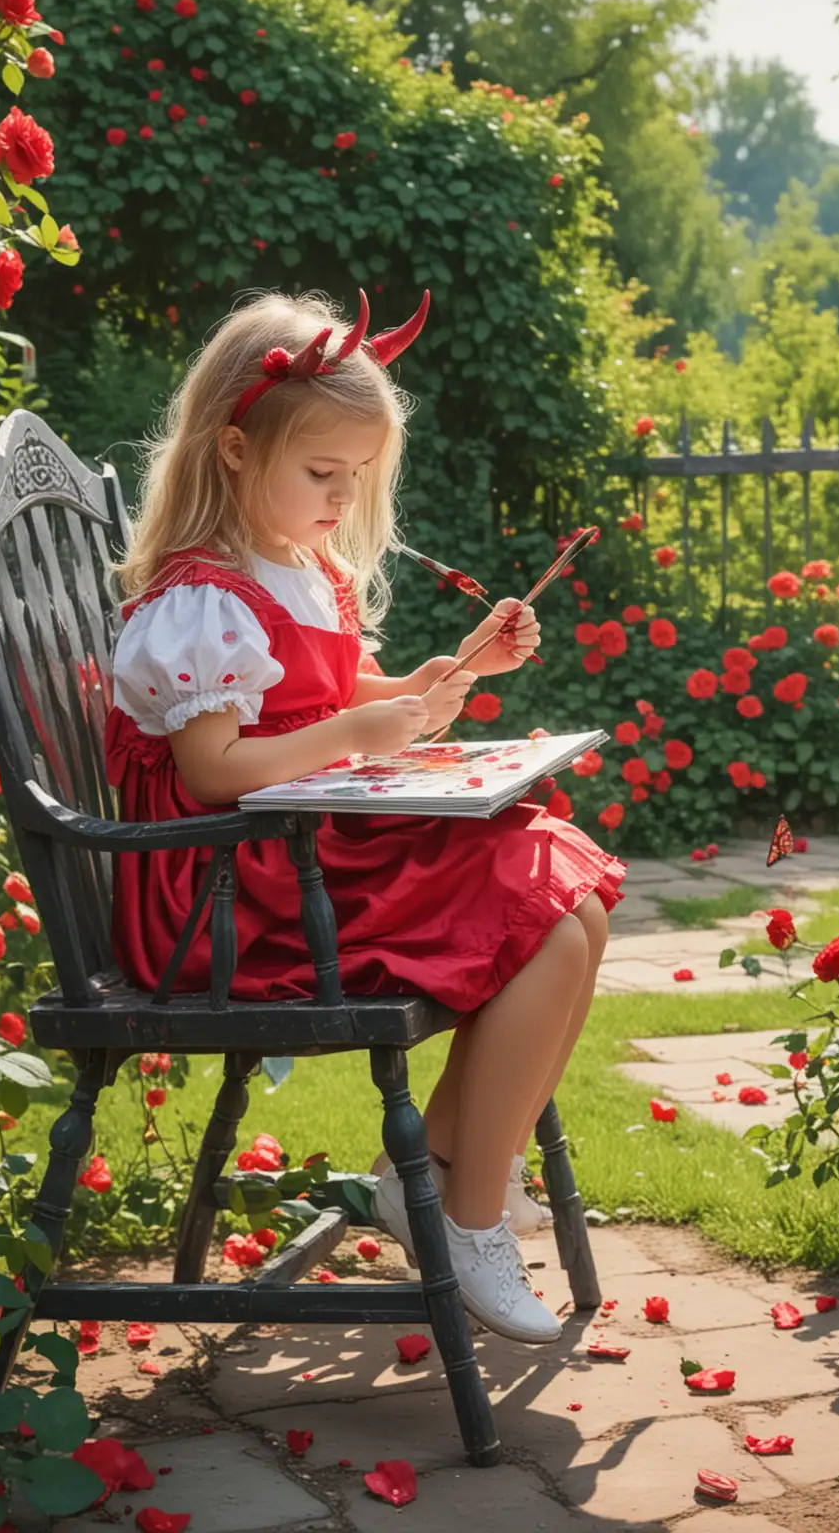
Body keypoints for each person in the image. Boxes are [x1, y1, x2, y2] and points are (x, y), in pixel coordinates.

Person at [106, 288, 625, 1344]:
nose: (342, 499)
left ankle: (442, 1169)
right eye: (321, 475)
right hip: (229, 889)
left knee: (570, 896)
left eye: (356, 478)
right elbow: (212, 771)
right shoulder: (203, 596)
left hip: (300, 851)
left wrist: (439, 676)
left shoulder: (302, 570)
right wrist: (358, 733)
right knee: (536, 897)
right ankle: (466, 1214)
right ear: (237, 450)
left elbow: (325, 700)